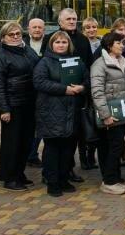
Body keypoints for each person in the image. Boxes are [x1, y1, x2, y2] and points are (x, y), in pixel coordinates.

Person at [33, 31, 87, 197]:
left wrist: (82, 87)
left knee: (68, 148)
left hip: (72, 111)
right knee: (53, 148)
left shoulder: (76, 61)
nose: (61, 45)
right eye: (58, 42)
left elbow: (86, 78)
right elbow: (39, 82)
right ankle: (52, 182)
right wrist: (64, 90)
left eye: (64, 42)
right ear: (52, 45)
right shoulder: (45, 62)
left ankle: (64, 178)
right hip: (51, 111)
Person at [45, 8, 94, 177]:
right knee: (55, 138)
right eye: (68, 19)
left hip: (77, 95)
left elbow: (88, 65)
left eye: (74, 18)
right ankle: (50, 173)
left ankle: (68, 169)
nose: (72, 21)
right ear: (60, 22)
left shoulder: (83, 40)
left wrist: (84, 87)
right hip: (56, 97)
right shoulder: (50, 39)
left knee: (73, 136)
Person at [0, 22, 40, 191]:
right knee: (11, 143)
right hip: (13, 105)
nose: (15, 37)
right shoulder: (1, 55)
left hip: (29, 103)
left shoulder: (28, 50)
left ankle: (19, 173)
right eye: (11, 34)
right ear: (3, 37)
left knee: (26, 140)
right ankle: (9, 177)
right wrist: (3, 109)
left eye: (18, 33)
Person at [90, 32, 125, 195]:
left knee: (115, 147)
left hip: (122, 113)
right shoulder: (99, 65)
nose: (122, 45)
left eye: (123, 43)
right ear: (109, 46)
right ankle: (108, 181)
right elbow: (97, 92)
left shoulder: (123, 61)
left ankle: (113, 178)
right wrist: (105, 115)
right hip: (110, 115)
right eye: (119, 43)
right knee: (112, 148)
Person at [24, 17, 47, 169]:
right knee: (27, 125)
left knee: (40, 124)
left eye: (40, 27)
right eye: (34, 27)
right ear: (28, 29)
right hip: (26, 90)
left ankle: (32, 155)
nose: (37, 30)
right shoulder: (22, 43)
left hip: (44, 90)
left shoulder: (50, 43)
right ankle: (25, 153)